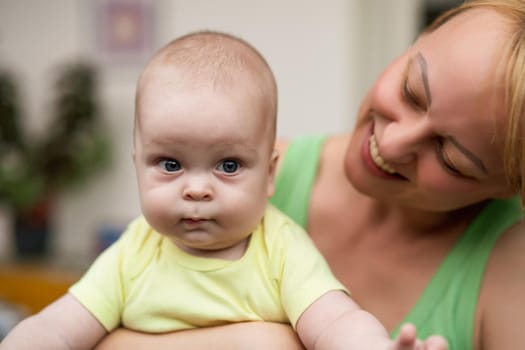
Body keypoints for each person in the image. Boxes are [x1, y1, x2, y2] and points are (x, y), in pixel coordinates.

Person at [88, 1, 525, 350]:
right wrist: (264, 342)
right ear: (413, 42)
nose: (393, 144)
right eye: (412, 90)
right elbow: (90, 325)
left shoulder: (509, 272)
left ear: (511, 188)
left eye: (451, 157)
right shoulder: (233, 175)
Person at [0, 31, 448, 350]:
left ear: (271, 174)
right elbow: (58, 328)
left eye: (228, 165)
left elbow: (336, 323)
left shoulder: (280, 248)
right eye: (170, 164)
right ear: (137, 165)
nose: (196, 189)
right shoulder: (134, 252)